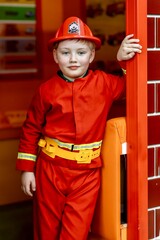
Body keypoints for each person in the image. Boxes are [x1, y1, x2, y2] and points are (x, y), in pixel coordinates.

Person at [16, 16, 142, 240]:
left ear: (92, 55)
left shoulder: (104, 83)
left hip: (87, 174)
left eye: (81, 53)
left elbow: (131, 87)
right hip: (50, 170)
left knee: (76, 232)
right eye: (65, 53)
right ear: (55, 56)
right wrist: (27, 169)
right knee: (46, 230)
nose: (73, 59)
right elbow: (30, 129)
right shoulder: (45, 91)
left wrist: (122, 61)